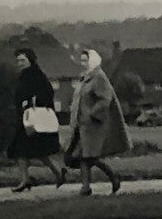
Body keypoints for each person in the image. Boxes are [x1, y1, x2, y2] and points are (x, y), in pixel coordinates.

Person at [65, 48, 128, 195]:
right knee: (82, 156)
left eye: (85, 60)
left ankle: (103, 180)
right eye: (81, 60)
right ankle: (90, 185)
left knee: (89, 157)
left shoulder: (99, 77)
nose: (82, 63)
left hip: (93, 125)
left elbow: (106, 98)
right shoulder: (85, 77)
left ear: (92, 61)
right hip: (81, 124)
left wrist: (92, 113)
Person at [7, 46, 66, 191]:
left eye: (22, 60)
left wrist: (33, 102)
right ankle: (52, 174)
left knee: (27, 150)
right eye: (18, 61)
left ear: (30, 60)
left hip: (33, 119)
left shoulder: (36, 75)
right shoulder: (23, 76)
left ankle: (31, 178)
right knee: (29, 150)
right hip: (25, 118)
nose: (20, 63)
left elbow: (46, 92)